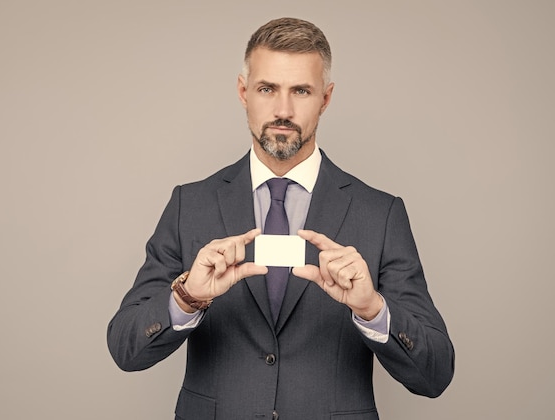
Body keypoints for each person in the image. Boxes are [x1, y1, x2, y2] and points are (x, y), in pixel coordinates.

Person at [107, 17, 454, 420]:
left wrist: (373, 309)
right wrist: (187, 298)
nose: (283, 110)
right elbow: (125, 349)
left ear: (325, 98)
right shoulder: (191, 205)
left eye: (301, 91)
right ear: (243, 92)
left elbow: (435, 375)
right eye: (267, 89)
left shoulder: (379, 213)